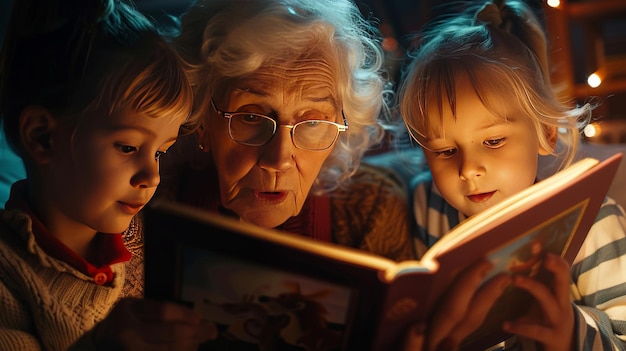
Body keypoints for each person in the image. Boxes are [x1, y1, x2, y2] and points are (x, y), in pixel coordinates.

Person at [397, 0, 626, 350]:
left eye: (493, 141)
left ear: (546, 133)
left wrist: (571, 333)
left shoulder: (593, 220)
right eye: (444, 150)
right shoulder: (425, 204)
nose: (469, 169)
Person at [0, 0, 215, 349]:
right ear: (42, 136)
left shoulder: (146, 254)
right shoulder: (8, 279)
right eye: (128, 147)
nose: (152, 175)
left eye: (160, 152)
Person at [156, 0, 415, 262]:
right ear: (201, 121)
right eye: (250, 117)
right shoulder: (150, 193)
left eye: (312, 123)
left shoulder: (372, 207)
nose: (278, 160)